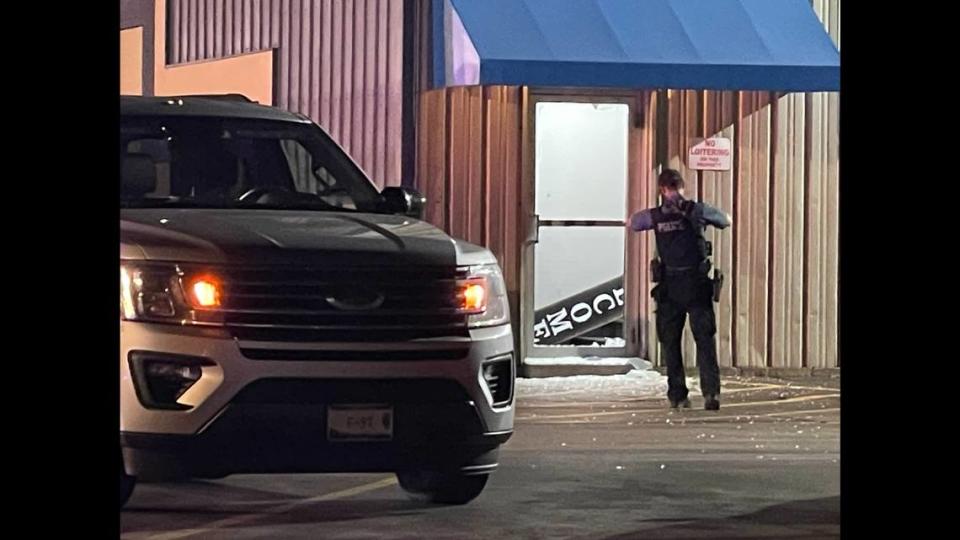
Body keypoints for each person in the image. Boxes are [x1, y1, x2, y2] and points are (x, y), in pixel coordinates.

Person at [629, 169, 731, 410]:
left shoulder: (655, 215)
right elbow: (725, 220)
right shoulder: (697, 210)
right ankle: (711, 394)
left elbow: (633, 223)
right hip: (696, 285)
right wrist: (694, 212)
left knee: (671, 344)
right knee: (704, 341)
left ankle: (677, 395)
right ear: (682, 187)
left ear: (662, 189)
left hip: (671, 287)